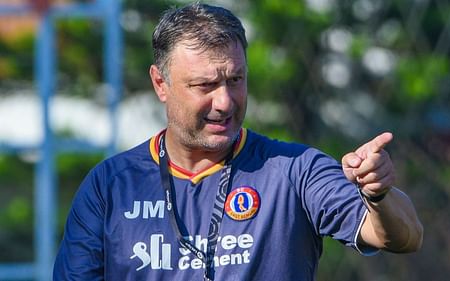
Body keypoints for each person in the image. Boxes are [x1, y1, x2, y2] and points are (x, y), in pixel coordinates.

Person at [53, 3, 423, 281]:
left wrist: (377, 194)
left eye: (235, 80)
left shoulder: (294, 170)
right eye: (205, 85)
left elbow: (404, 236)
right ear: (160, 84)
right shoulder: (110, 187)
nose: (225, 102)